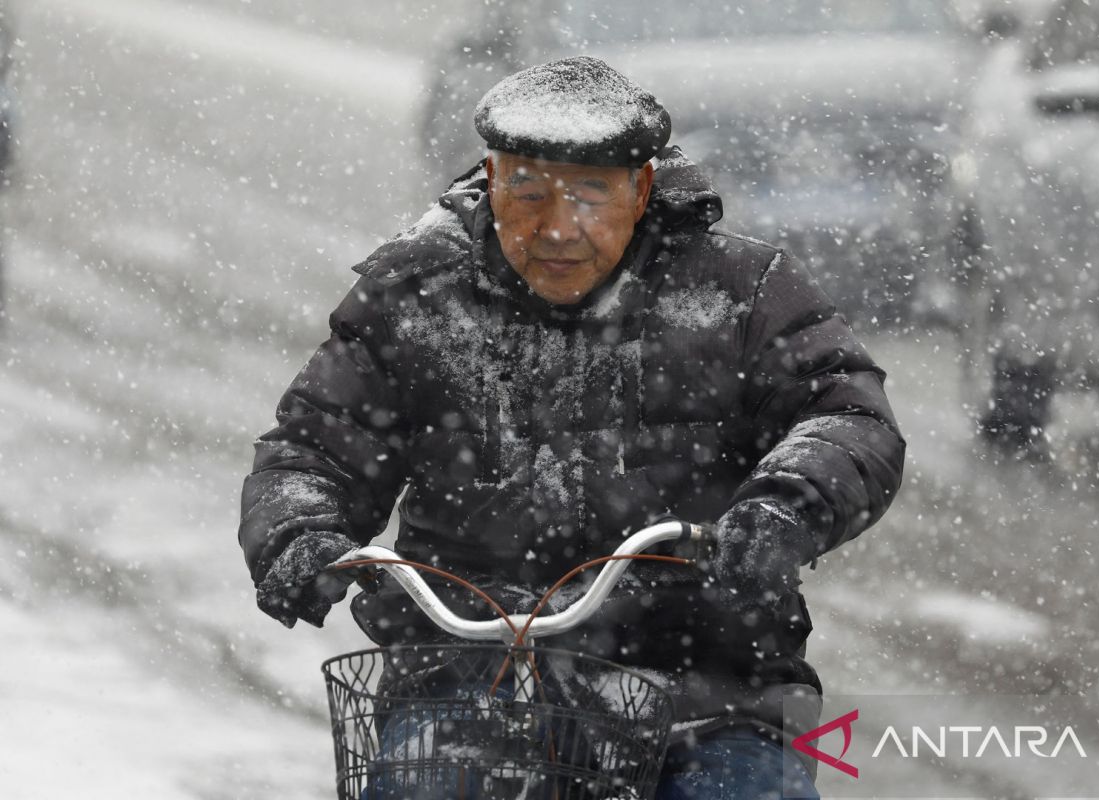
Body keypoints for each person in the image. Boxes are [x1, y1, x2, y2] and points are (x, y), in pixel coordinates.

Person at [238, 56, 905, 798]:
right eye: (526, 191)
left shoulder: (741, 294)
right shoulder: (416, 299)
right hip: (466, 678)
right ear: (490, 179)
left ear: (642, 188)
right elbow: (312, 450)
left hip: (709, 686)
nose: (557, 228)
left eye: (591, 195)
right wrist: (299, 530)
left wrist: (783, 509)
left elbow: (847, 415)